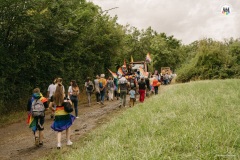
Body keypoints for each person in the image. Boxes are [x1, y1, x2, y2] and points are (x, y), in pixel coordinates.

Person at [51, 84, 75, 149]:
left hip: (58, 114)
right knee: (68, 126)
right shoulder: (65, 96)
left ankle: (58, 144)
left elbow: (50, 105)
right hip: (65, 114)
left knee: (59, 130)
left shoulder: (53, 97)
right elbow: (70, 103)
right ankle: (68, 141)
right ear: (62, 89)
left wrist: (53, 110)